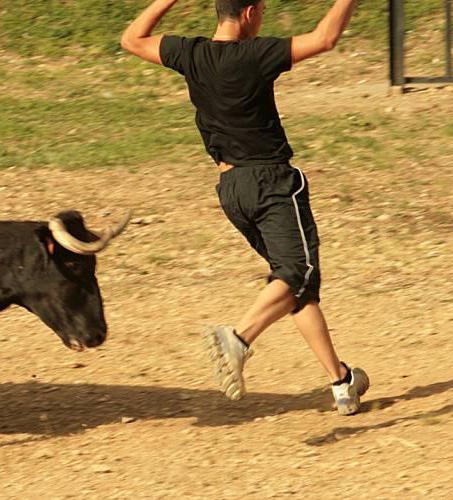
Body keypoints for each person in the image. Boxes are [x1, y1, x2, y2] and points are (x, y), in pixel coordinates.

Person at [121, 0, 369, 414]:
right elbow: (325, 38)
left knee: (296, 288)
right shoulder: (256, 54)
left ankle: (341, 382)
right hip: (272, 183)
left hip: (232, 190)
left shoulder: (191, 53)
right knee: (296, 273)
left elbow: (131, 39)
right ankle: (237, 339)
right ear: (251, 12)